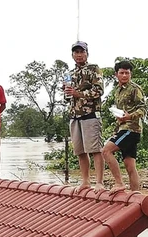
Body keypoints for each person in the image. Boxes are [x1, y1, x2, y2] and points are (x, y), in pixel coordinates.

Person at [64, 41, 105, 193]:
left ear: (87, 53)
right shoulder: (69, 74)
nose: (79, 55)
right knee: (80, 151)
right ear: (72, 55)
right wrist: (67, 92)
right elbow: (67, 97)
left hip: (91, 113)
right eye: (76, 52)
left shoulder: (94, 69)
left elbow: (99, 91)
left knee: (95, 149)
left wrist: (78, 93)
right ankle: (85, 181)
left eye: (82, 52)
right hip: (74, 115)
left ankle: (99, 182)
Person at [102, 60, 146, 194]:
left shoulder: (134, 88)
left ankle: (119, 183)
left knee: (106, 151)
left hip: (131, 129)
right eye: (122, 73)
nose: (125, 75)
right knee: (130, 165)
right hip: (123, 128)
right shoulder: (117, 91)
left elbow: (143, 108)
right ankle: (135, 195)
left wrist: (129, 116)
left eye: (127, 73)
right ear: (116, 74)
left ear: (131, 74)